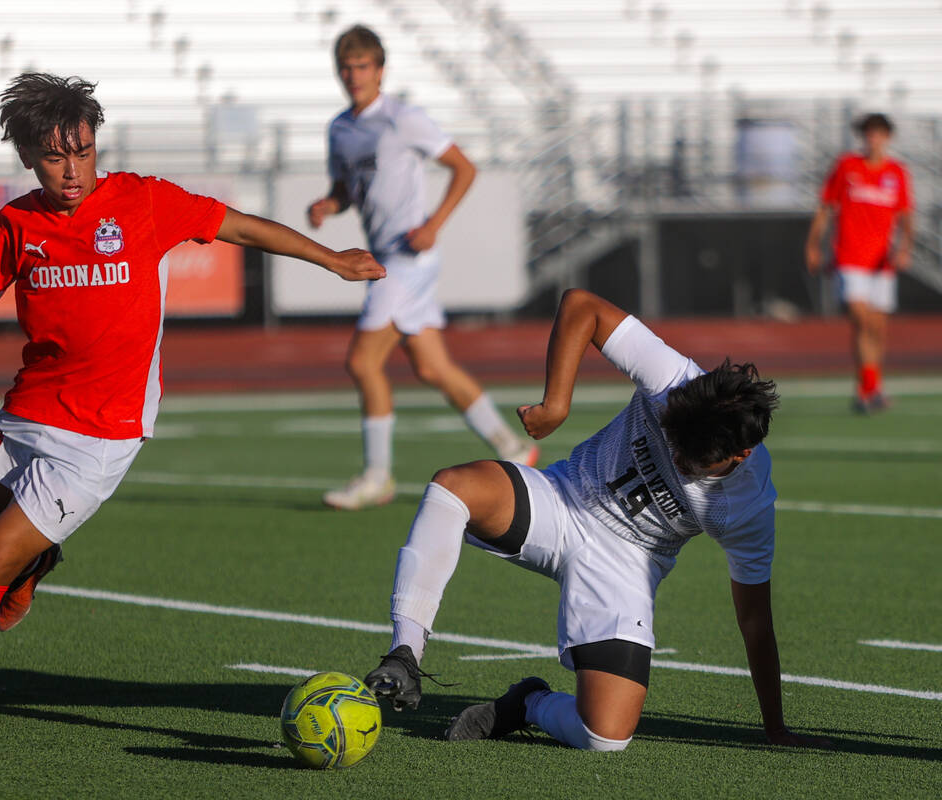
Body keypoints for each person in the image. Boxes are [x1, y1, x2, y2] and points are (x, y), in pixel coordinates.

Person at [0, 73, 385, 723]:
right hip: (31, 408)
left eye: (84, 151)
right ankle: (38, 561)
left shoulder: (144, 203)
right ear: (28, 158)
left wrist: (333, 261)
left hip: (102, 433)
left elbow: (241, 229)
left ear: (98, 144)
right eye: (55, 156)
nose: (73, 170)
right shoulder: (12, 225)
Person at [362, 288, 833, 752]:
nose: (677, 457)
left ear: (741, 454)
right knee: (453, 487)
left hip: (627, 564)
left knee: (605, 736)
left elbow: (754, 619)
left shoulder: (747, 507)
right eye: (674, 442)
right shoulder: (674, 378)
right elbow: (581, 306)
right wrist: (556, 404)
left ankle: (528, 704)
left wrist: (775, 725)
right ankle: (405, 653)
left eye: (693, 460)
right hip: (564, 498)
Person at [308, 25, 536, 511]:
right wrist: (329, 204)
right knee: (432, 367)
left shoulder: (402, 119)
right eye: (346, 68)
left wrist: (434, 223)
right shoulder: (340, 129)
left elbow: (464, 167)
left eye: (363, 66)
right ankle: (514, 446)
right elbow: (348, 188)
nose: (354, 76)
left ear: (381, 69)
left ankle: (377, 477)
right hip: (389, 259)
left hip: (407, 258)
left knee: (362, 361)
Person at [804, 112, 913, 413]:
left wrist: (905, 248)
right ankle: (868, 388)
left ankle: (871, 387)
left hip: (882, 262)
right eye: (868, 133)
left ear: (887, 138)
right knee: (861, 319)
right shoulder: (847, 166)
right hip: (850, 257)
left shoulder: (897, 172)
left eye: (878, 134)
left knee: (877, 327)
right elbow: (826, 207)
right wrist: (813, 245)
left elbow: (906, 216)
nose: (873, 139)